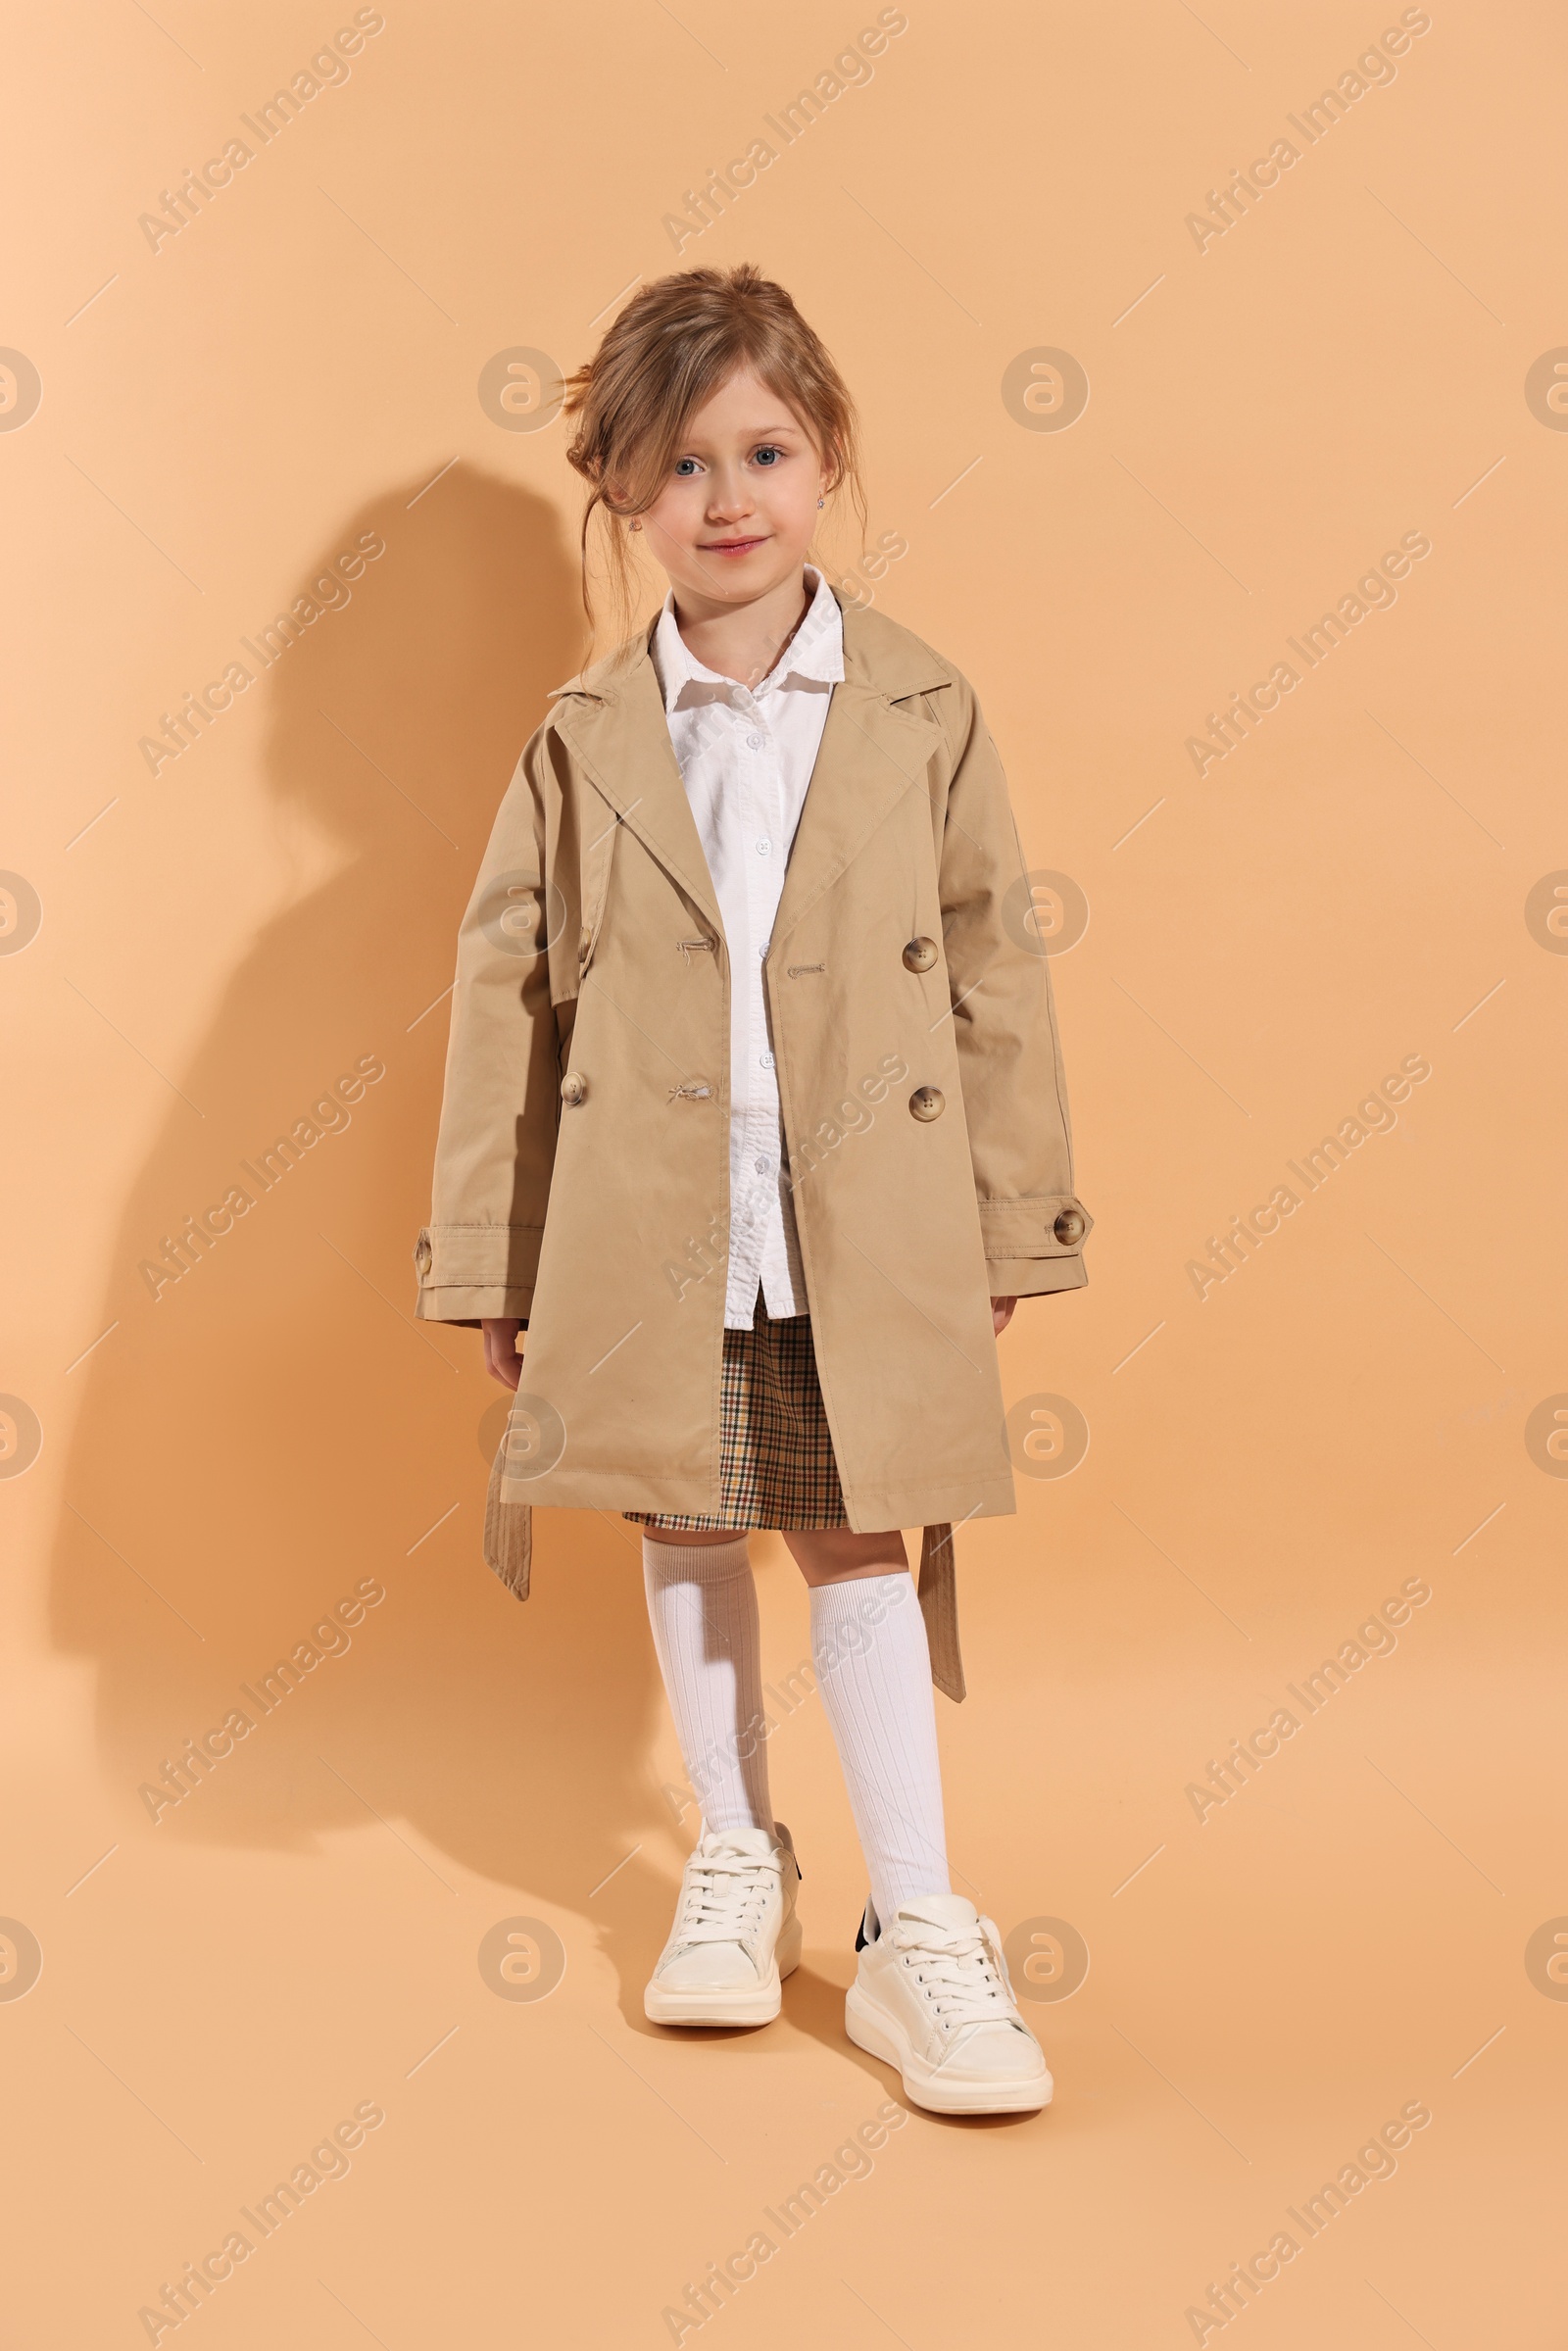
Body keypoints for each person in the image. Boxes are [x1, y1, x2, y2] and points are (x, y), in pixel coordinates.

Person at [414, 263, 1091, 2116]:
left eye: (764, 450)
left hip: (860, 1220)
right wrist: (498, 1245)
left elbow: (991, 973)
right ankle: (738, 1854)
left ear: (828, 458)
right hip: (653, 1212)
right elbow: (505, 997)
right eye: (678, 465)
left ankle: (919, 1929)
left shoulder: (922, 707)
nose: (726, 500)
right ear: (624, 497)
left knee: (861, 1531)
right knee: (686, 1515)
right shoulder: (581, 739)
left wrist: (1010, 1221)